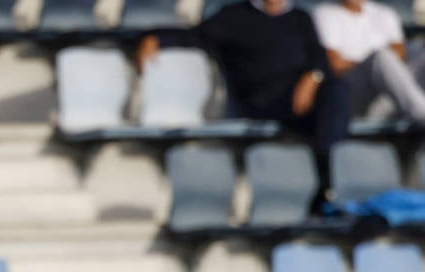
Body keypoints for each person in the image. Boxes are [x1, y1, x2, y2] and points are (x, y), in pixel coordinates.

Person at [137, 0, 348, 202]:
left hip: (301, 100)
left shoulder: (300, 17)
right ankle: (327, 184)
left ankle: (329, 183)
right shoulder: (235, 16)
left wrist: (313, 77)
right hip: (261, 100)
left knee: (335, 91)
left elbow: (319, 58)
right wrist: (156, 37)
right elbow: (196, 36)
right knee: (329, 110)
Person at [313, 0, 425, 122]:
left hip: (389, 96)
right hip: (353, 96)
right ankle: (421, 113)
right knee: (381, 58)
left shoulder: (385, 13)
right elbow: (335, 64)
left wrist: (383, 71)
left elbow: (400, 56)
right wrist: (372, 65)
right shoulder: (325, 14)